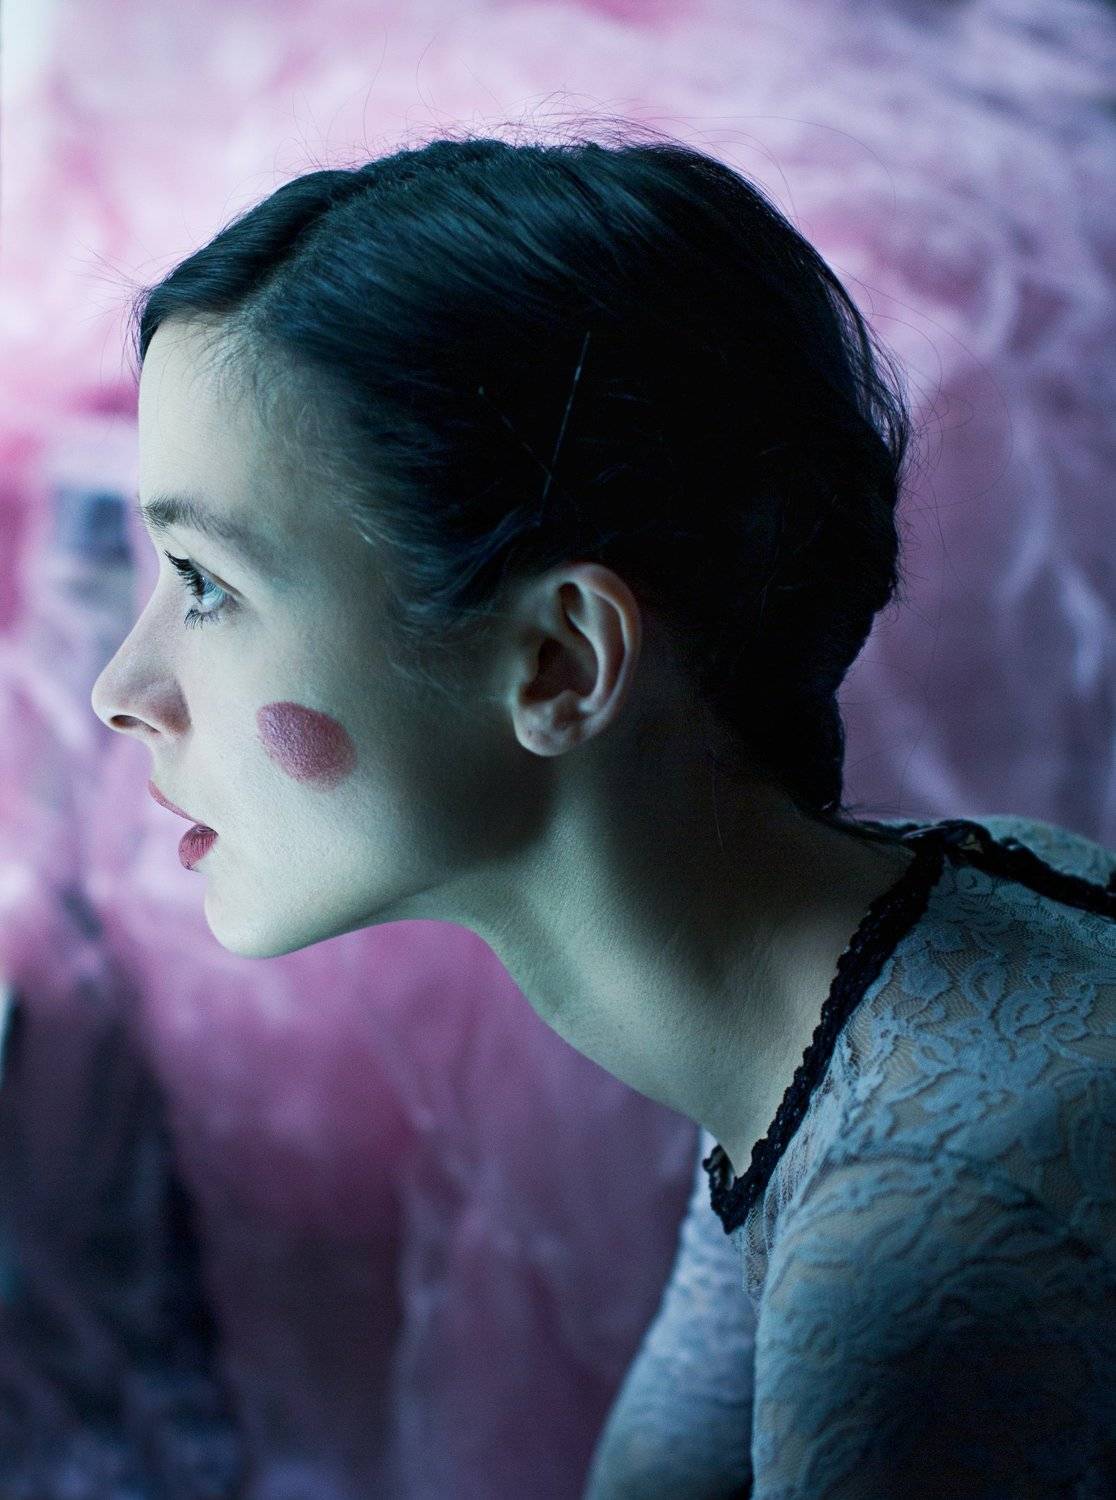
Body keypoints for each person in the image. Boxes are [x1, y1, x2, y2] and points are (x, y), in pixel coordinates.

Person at [90, 122, 1115, 1497]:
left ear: (560, 663)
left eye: (208, 584)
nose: (119, 690)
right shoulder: (855, 990)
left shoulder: (928, 1240)